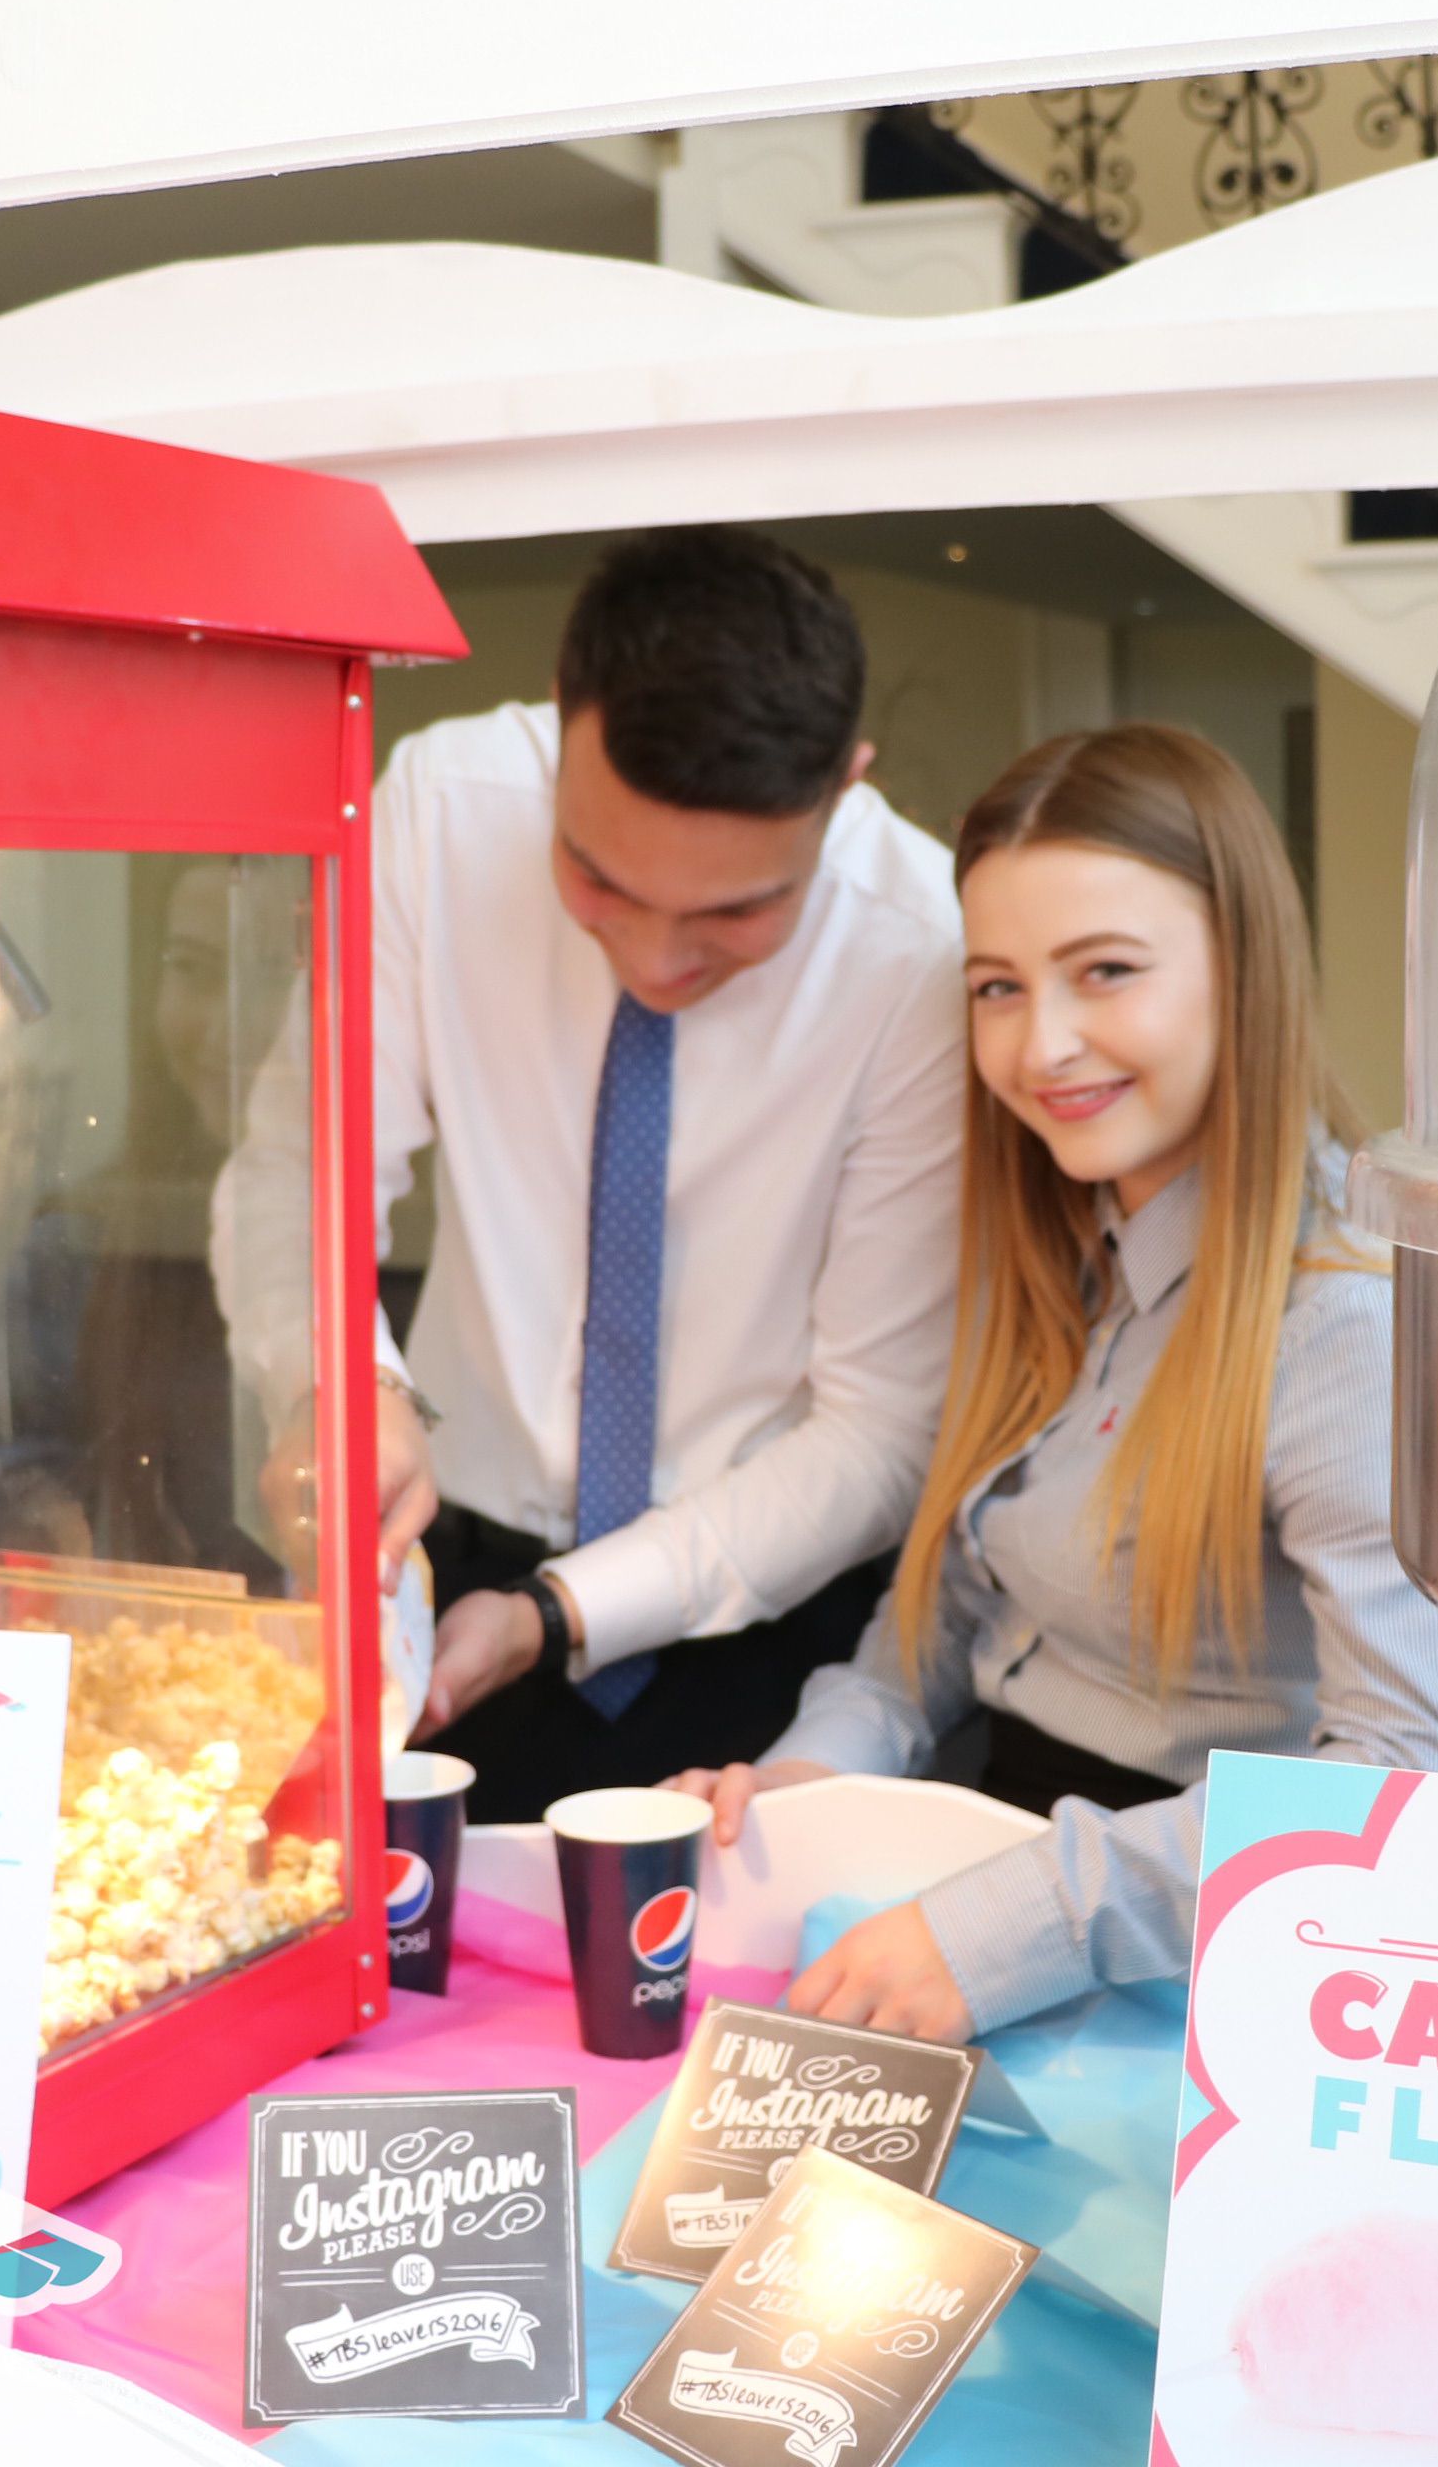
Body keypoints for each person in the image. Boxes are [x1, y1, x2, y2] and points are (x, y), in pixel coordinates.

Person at [670, 723, 1438, 2040]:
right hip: (977, 1922)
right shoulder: (1064, 1248)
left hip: (1209, 1991)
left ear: (1244, 971)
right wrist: (807, 1787)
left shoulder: (1349, 1317)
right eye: (997, 987)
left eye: (1104, 972)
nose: (1041, 1046)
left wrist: (1015, 1922)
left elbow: (1408, 1788)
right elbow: (937, 1621)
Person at [213, 527, 964, 1820]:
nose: (657, 959)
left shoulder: (922, 952)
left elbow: (877, 1432)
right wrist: (339, 1393)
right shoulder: (437, 816)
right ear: (563, 726)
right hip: (444, 1567)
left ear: (847, 785)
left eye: (735, 913)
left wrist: (561, 1615)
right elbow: (294, 1178)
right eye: (599, 877)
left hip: (768, 1615)